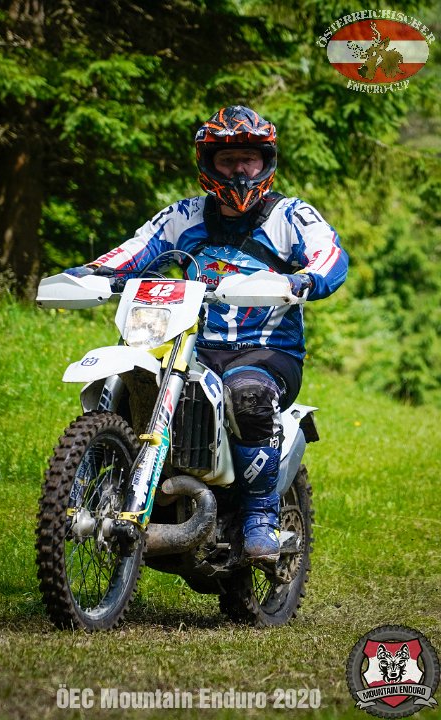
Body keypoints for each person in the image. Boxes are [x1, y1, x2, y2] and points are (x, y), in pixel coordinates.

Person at [66, 105, 348, 564]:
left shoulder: (291, 215)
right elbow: (138, 248)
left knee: (248, 394)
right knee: (126, 382)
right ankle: (88, 489)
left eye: (249, 159)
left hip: (264, 352)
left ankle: (260, 516)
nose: (239, 170)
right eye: (227, 159)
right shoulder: (184, 215)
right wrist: (92, 272)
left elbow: (330, 254)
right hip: (188, 345)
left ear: (266, 162)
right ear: (207, 163)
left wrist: (304, 280)